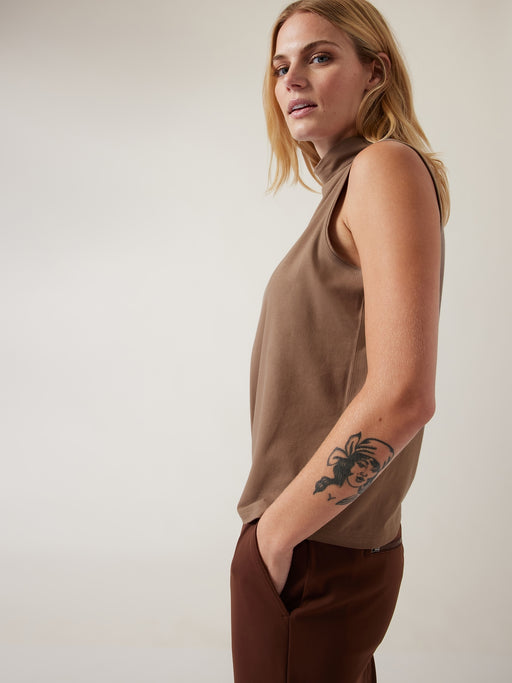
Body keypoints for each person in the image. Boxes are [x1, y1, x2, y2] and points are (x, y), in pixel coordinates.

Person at [230, 1, 449, 681]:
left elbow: (404, 396)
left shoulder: (383, 167)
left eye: (319, 57)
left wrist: (277, 533)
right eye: (280, 67)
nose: (292, 79)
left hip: (312, 551)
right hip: (314, 549)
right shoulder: (347, 190)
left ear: (374, 72)